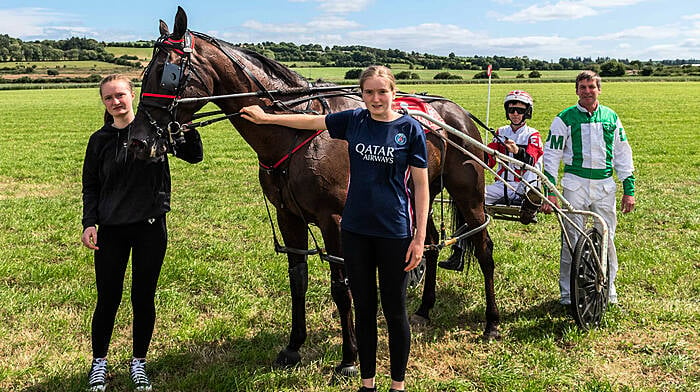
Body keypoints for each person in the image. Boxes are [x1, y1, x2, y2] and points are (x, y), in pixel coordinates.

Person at [239, 65, 429, 392]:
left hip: (394, 232)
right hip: (355, 231)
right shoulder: (354, 121)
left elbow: (422, 187)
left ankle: (397, 386)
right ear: (361, 94)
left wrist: (420, 237)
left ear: (393, 92)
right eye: (368, 92)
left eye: (382, 91)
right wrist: (266, 118)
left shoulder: (410, 130)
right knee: (365, 311)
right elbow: (310, 122)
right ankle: (367, 384)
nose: (375, 98)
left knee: (395, 314)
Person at [81, 74, 203, 391]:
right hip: (110, 230)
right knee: (108, 298)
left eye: (120, 95)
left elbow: (193, 155)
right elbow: (90, 186)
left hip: (150, 227)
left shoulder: (156, 133)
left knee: (143, 297)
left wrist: (184, 124)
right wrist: (89, 223)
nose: (115, 102)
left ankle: (139, 363)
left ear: (133, 95)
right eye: (109, 98)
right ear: (104, 103)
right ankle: (100, 363)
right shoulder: (99, 140)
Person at [541, 70, 635, 306]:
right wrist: (550, 192)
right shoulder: (564, 118)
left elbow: (623, 153)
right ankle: (568, 294)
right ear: (576, 91)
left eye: (591, 86)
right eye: (582, 87)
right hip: (575, 184)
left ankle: (608, 290)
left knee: (607, 238)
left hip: (605, 185)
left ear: (598, 89)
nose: (587, 91)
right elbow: (551, 156)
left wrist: (629, 189)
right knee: (571, 240)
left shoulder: (611, 117)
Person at [439, 90, 543, 271]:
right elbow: (487, 160)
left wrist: (517, 151)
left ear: (527, 112)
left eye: (520, 110)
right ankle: (458, 251)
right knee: (469, 205)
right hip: (501, 186)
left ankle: (531, 205)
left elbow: (532, 160)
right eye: (512, 110)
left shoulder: (533, 135)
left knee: (531, 193)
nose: (515, 114)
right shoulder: (500, 132)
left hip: (525, 184)